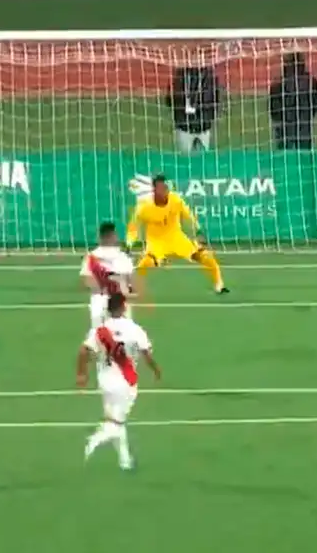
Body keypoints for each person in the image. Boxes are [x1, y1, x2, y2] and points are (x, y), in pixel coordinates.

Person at [77, 293, 161, 471]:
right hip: (126, 381)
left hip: (105, 381)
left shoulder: (100, 330)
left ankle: (125, 460)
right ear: (123, 307)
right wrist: (156, 370)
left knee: (114, 418)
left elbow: (84, 351)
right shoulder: (134, 329)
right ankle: (95, 440)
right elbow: (146, 353)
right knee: (117, 422)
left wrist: (82, 374)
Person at [126, 174, 228, 295]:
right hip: (157, 241)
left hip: (176, 238)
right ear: (154, 190)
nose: (164, 190)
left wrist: (198, 230)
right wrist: (129, 243)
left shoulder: (175, 200)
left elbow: (188, 215)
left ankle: (219, 285)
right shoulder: (144, 207)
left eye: (165, 187)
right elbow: (133, 227)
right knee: (146, 263)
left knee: (206, 257)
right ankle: (132, 285)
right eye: (160, 188)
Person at [80, 221, 138, 328]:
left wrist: (103, 289)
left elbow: (87, 281)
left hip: (99, 302)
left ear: (100, 237)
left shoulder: (91, 257)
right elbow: (132, 281)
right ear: (112, 236)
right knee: (123, 339)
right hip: (120, 303)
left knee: (99, 339)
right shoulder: (123, 257)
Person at [268, 52, 317, 150]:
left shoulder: (278, 83)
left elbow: (274, 111)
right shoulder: (310, 81)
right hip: (304, 130)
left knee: (285, 160)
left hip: (284, 131)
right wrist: (307, 115)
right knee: (304, 159)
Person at [165, 65, 223, 153]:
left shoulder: (209, 76)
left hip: (201, 126)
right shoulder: (181, 75)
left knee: (201, 159)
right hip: (185, 126)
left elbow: (216, 99)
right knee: (186, 159)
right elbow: (170, 99)